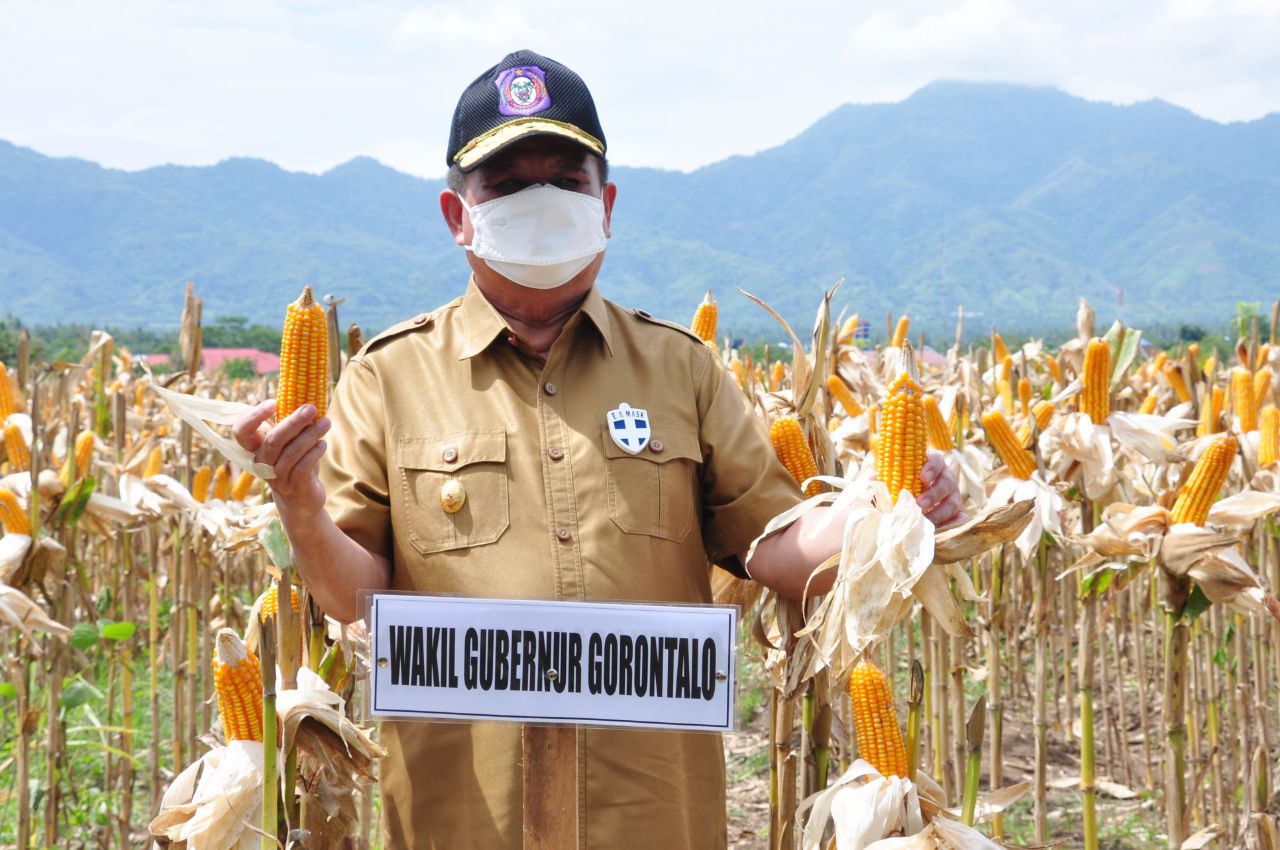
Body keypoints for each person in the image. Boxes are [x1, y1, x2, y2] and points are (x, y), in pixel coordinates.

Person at [233, 49, 964, 850]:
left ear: (606, 204)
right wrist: (299, 507)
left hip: (652, 817)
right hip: (466, 822)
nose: (540, 203)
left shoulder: (681, 368)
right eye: (509, 188)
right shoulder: (387, 379)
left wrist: (883, 515)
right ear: (457, 216)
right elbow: (355, 594)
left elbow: (774, 542)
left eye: (566, 182)